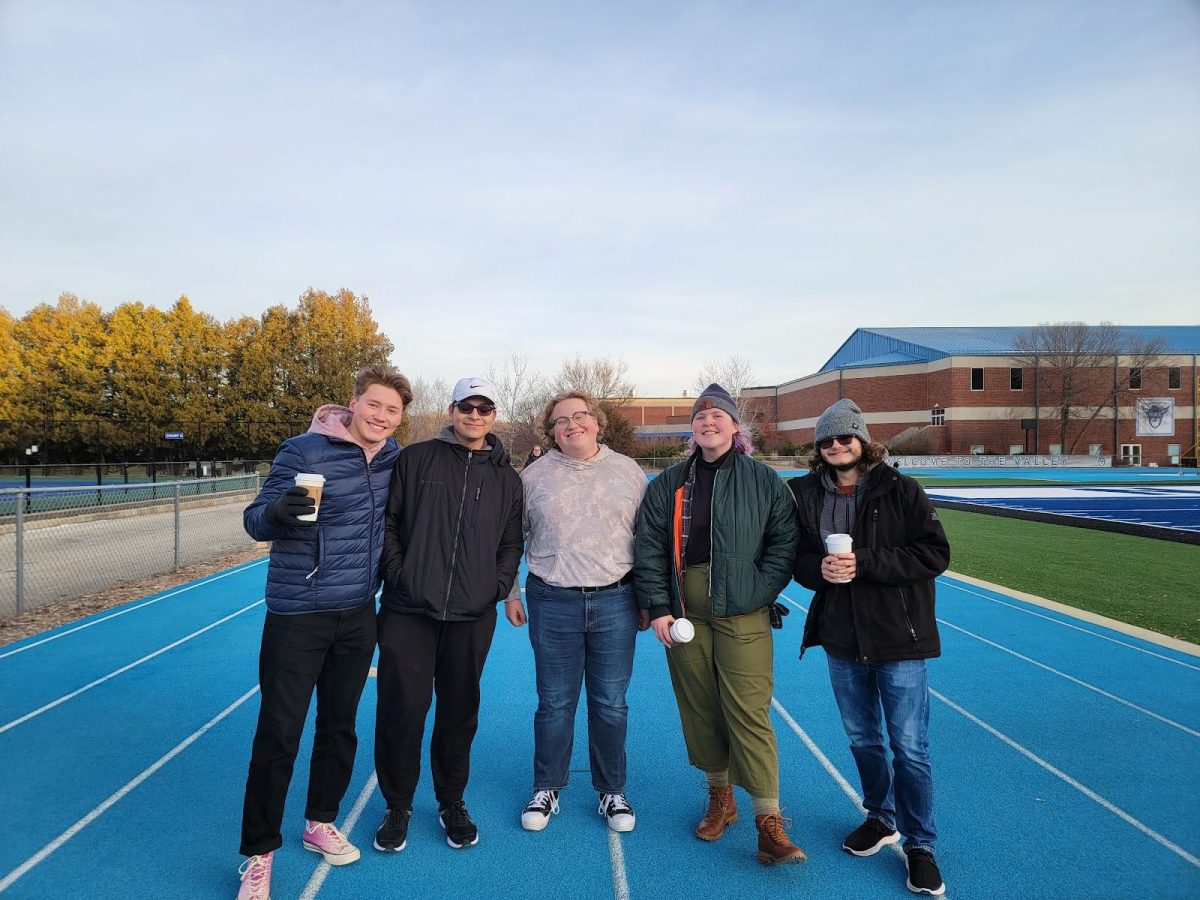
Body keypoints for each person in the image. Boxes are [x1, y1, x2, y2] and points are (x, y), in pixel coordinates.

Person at [236, 365, 411, 900]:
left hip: (359, 612)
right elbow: (254, 519)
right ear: (353, 403)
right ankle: (258, 854)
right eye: (374, 405)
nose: (381, 417)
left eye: (393, 410)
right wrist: (279, 512)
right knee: (279, 734)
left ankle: (319, 821)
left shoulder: (394, 458)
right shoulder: (304, 450)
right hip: (298, 613)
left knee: (339, 726)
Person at [633, 383, 806, 865]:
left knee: (749, 711)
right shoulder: (668, 483)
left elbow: (784, 543)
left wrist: (757, 590)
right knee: (701, 709)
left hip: (743, 611)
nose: (709, 424)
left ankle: (768, 820)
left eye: (718, 418)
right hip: (685, 615)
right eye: (700, 419)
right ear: (692, 428)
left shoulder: (763, 480)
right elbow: (647, 545)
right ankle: (720, 798)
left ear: (734, 426)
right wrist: (660, 606)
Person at [789, 398, 950, 896]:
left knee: (910, 747)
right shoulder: (805, 494)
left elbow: (935, 553)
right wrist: (819, 570)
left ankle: (921, 844)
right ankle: (881, 818)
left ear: (862, 440)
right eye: (827, 440)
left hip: (898, 636)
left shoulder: (901, 490)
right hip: (841, 635)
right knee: (862, 739)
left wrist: (866, 562)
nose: (836, 445)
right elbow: (796, 558)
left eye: (845, 437)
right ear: (819, 448)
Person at [373, 376, 523, 853]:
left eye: (484, 408)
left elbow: (511, 543)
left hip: (472, 614)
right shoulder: (415, 460)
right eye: (466, 406)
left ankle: (451, 801)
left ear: (493, 414)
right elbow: (389, 522)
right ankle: (397, 806)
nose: (474, 415)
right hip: (408, 610)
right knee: (402, 711)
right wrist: (400, 574)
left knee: (459, 714)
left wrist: (496, 588)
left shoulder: (507, 477)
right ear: (452, 409)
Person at [505, 391, 649, 834]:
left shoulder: (628, 472)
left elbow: (648, 539)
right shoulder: (533, 477)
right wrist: (512, 591)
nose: (571, 425)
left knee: (610, 704)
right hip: (552, 600)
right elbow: (512, 537)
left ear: (597, 423)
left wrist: (649, 599)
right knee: (554, 703)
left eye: (580, 416)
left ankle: (612, 791)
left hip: (616, 600)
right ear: (551, 430)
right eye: (560, 420)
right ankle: (547, 787)